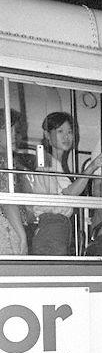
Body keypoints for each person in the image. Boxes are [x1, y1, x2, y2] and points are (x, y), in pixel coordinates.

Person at [27, 111, 102, 255]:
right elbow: (69, 193)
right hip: (52, 227)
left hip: (57, 227)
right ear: (47, 135)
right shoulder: (46, 162)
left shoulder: (55, 163)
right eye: (60, 131)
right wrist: (92, 167)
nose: (66, 136)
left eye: (70, 132)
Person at [0, 108, 27, 255]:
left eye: (16, 131)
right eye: (9, 131)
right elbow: (7, 199)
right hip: (6, 227)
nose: (15, 136)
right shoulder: (4, 161)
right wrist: (22, 236)